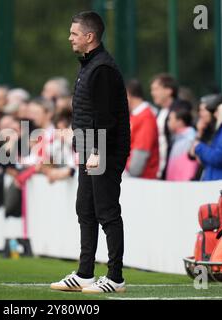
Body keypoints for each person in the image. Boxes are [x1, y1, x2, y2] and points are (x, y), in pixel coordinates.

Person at [50, 11, 130, 294]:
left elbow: (105, 118)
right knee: (85, 209)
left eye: (74, 34)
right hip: (89, 150)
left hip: (102, 151)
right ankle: (85, 273)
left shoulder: (102, 69)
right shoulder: (89, 66)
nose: (69, 38)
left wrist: (98, 150)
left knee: (107, 212)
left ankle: (115, 277)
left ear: (89, 36)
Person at [125, 79, 159, 179]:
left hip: (142, 182)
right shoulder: (136, 116)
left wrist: (130, 174)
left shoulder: (145, 118)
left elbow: (141, 152)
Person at [165, 104, 198, 181]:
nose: (168, 122)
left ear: (179, 122)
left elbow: (190, 166)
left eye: (170, 119)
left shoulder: (189, 139)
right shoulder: (178, 137)